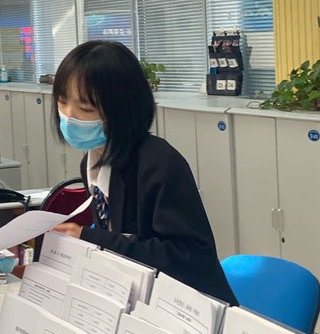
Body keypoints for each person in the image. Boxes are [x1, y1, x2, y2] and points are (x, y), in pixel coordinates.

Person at [51, 40, 238, 306]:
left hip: (190, 308)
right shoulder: (93, 161)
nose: (69, 116)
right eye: (62, 102)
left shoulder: (158, 162)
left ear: (121, 108)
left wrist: (91, 238)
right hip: (140, 300)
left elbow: (186, 257)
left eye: (86, 108)